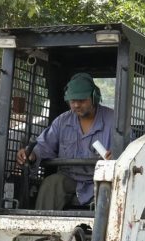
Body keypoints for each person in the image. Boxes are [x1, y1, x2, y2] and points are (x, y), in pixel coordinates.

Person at [15, 73, 114, 210]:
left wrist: (117, 158)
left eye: (82, 100)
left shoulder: (113, 121)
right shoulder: (62, 121)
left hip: (102, 180)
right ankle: (41, 228)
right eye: (72, 101)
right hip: (70, 179)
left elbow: (130, 152)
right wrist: (31, 155)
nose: (77, 105)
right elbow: (44, 144)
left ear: (94, 97)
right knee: (51, 184)